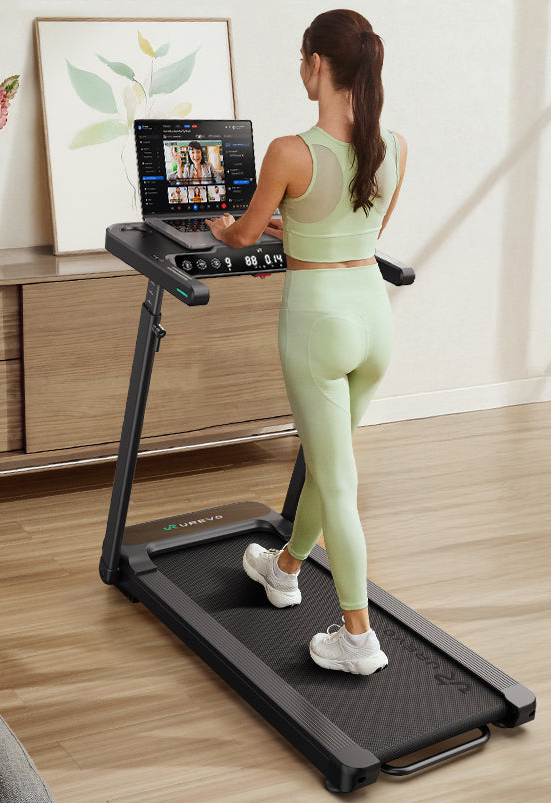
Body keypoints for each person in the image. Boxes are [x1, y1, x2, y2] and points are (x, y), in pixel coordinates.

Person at [206, 9, 407, 675]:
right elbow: (360, 233)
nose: (300, 69)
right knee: (328, 463)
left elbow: (242, 234)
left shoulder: (289, 151)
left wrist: (225, 227)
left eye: (302, 59)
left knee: (338, 481)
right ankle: (285, 569)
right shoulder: (395, 147)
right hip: (374, 319)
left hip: (319, 324)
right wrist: (291, 227)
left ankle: (357, 637)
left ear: (317, 65)